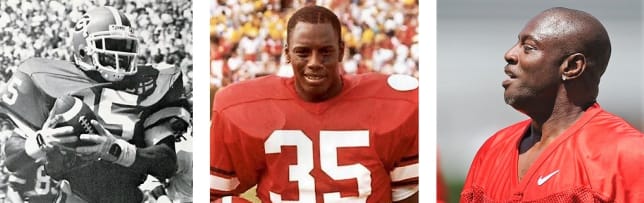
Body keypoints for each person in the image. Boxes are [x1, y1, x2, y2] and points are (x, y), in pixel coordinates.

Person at [210, 5, 419, 203]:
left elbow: (411, 195)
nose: (314, 62)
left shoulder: (395, 104)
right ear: (287, 53)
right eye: (303, 52)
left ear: (340, 50)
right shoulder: (243, 107)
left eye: (325, 52)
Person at [0, 6, 191, 203]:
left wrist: (116, 150)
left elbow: (166, 162)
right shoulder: (48, 82)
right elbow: (13, 159)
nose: (121, 54)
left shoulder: (149, 87)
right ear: (83, 50)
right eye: (111, 45)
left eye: (126, 46)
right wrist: (41, 140)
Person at [461, 7, 644, 202]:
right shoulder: (493, 149)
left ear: (572, 67)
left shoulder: (627, 153)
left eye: (529, 48)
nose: (510, 54)